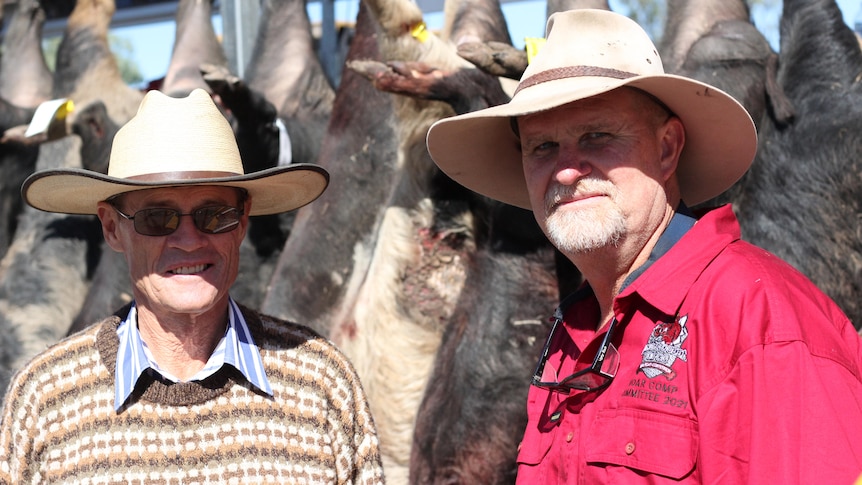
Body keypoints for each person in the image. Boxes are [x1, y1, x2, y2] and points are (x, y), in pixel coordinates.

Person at [426, 9, 862, 484]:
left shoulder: (762, 322)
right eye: (542, 147)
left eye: (598, 136)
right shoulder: (571, 336)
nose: (567, 170)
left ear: (668, 148)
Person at [0, 88, 385, 483]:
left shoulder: (321, 384)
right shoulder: (46, 400)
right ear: (112, 229)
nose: (188, 239)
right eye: (157, 218)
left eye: (214, 215)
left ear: (243, 222)